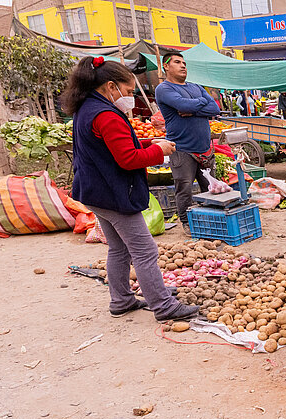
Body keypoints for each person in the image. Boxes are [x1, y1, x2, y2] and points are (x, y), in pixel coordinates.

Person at [62, 56, 199, 321]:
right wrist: (157, 150)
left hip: (95, 191)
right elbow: (127, 159)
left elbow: (115, 150)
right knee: (145, 250)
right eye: (127, 91)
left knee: (118, 248)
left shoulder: (87, 108)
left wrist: (148, 146)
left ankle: (122, 300)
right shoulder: (106, 115)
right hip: (113, 193)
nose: (129, 96)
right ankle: (163, 306)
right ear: (111, 87)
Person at [155, 51, 220, 236]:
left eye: (184, 62)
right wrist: (200, 104)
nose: (183, 65)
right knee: (184, 188)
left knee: (211, 187)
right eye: (177, 62)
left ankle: (212, 221)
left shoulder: (196, 86)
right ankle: (186, 222)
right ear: (166, 66)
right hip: (181, 148)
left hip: (205, 148)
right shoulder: (164, 89)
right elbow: (183, 106)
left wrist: (192, 108)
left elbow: (215, 108)